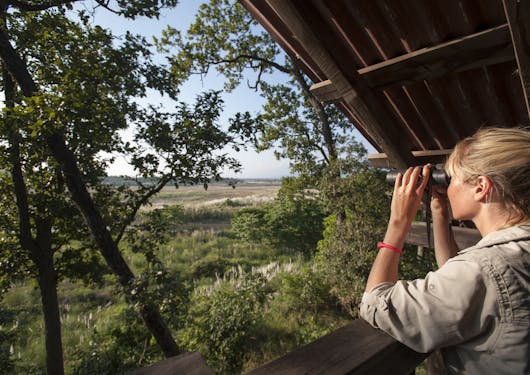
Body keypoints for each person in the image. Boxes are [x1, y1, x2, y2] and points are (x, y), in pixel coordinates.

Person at [359, 127, 530, 374]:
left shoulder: (485, 269)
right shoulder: (514, 254)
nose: (447, 187)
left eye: (450, 178)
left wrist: (398, 222)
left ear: (480, 187)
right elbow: (457, 278)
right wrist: (440, 213)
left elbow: (375, 302)